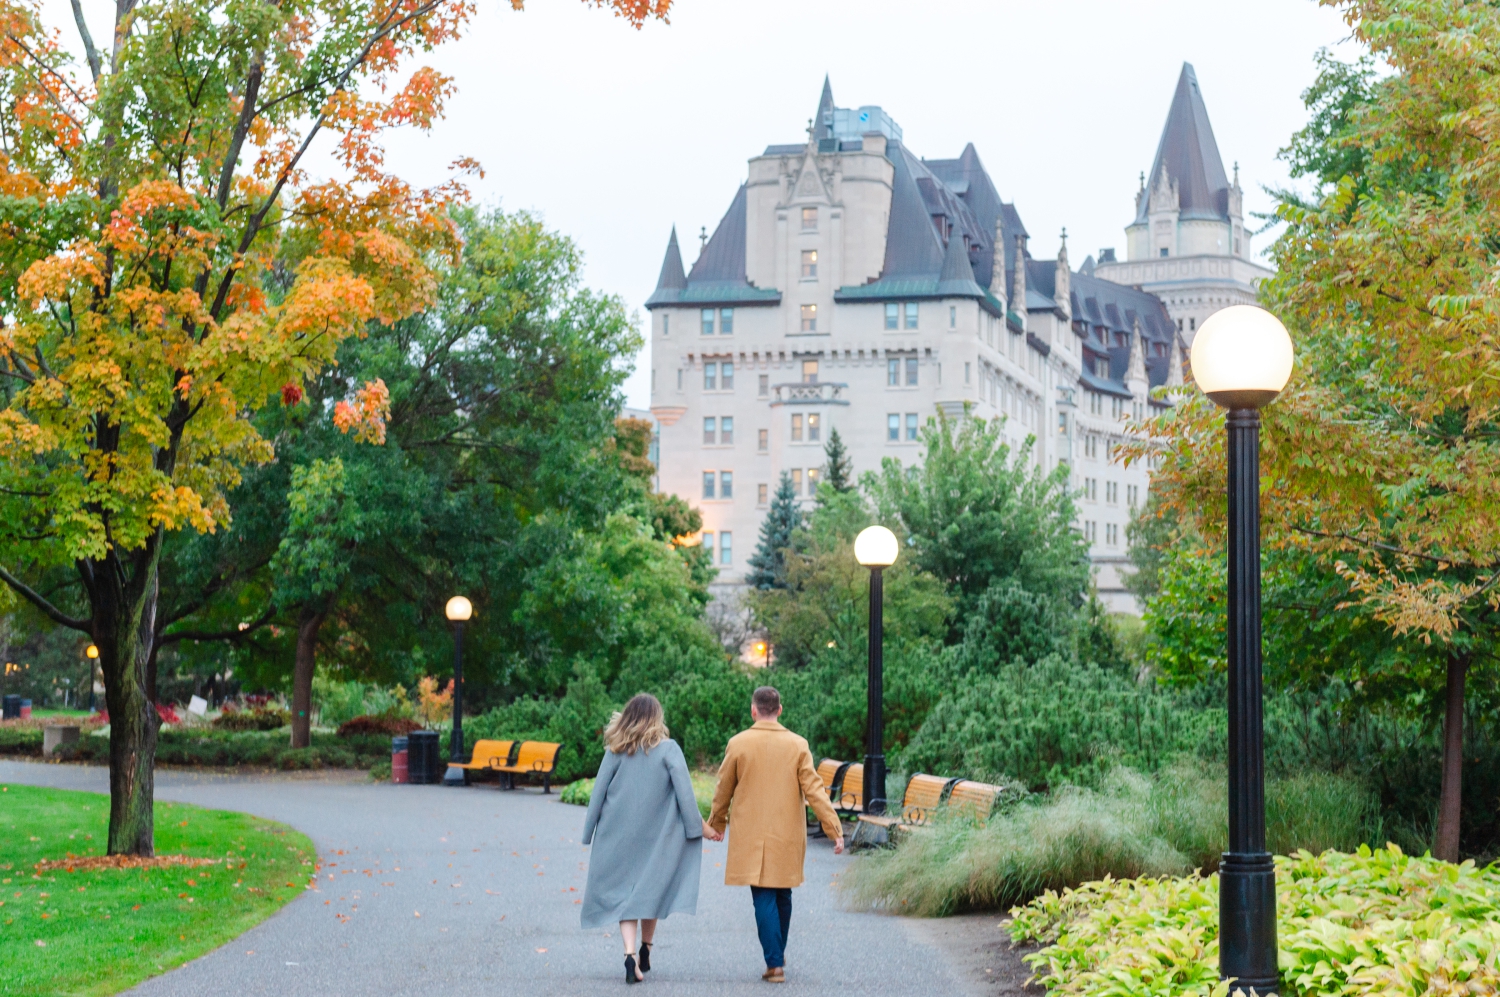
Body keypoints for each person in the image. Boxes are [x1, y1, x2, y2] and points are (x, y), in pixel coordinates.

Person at [705, 685, 844, 984]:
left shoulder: (739, 743)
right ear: (780, 710)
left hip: (751, 834)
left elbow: (723, 788)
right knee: (783, 892)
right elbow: (814, 789)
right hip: (787, 833)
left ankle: (775, 963)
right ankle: (776, 956)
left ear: (754, 710)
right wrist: (834, 828)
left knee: (763, 895)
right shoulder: (798, 745)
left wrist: (717, 823)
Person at [581, 693, 710, 984]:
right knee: (650, 891)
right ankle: (646, 948)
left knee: (625, 897)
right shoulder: (669, 750)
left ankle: (629, 955)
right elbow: (685, 795)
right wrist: (698, 829)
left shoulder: (615, 750)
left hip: (618, 834)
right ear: (657, 718)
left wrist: (588, 832)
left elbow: (598, 792)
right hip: (657, 837)